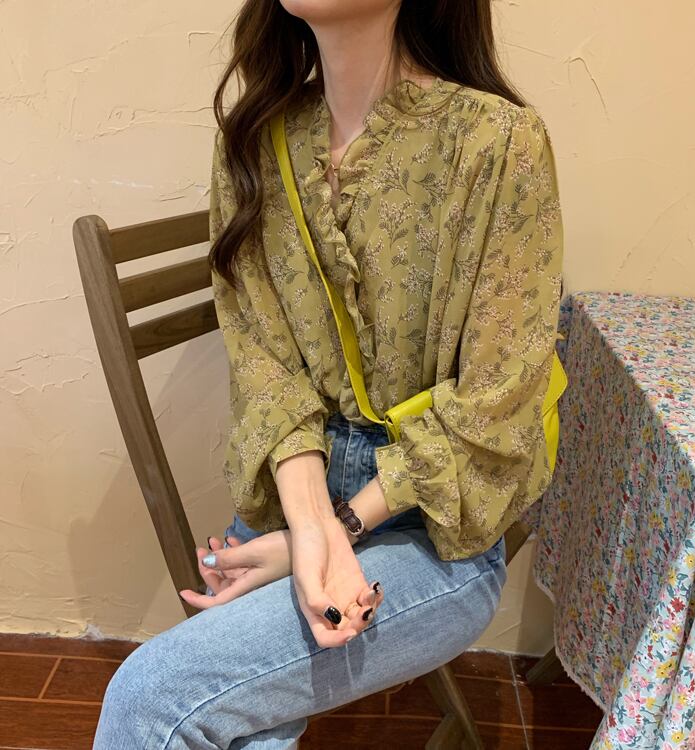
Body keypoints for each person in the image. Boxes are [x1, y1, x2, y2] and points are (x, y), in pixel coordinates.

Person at [93, 0, 563, 746]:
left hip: (435, 524)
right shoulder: (256, 138)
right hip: (294, 487)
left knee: (153, 695)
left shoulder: (497, 143)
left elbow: (494, 402)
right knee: (239, 728)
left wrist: (326, 533)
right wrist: (308, 526)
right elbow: (263, 362)